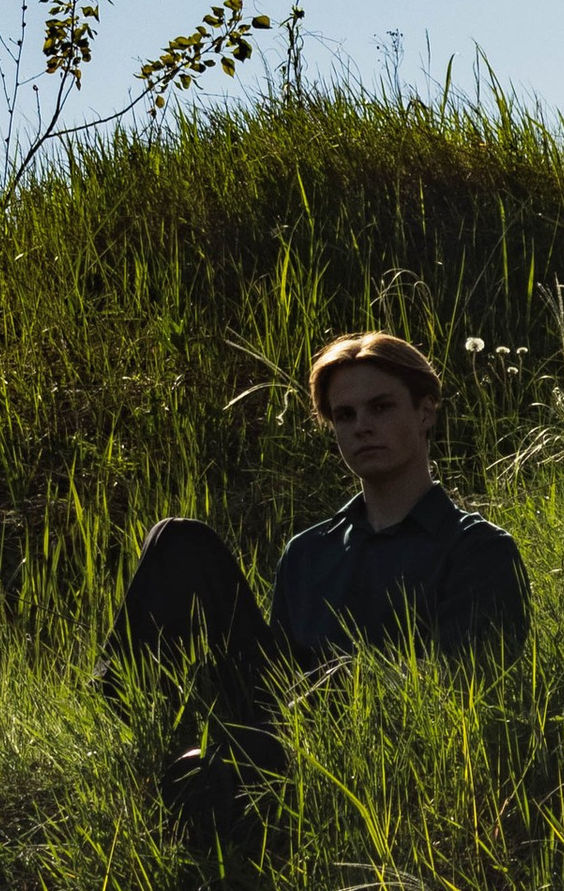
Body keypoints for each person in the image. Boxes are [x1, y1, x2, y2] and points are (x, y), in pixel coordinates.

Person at [100, 331, 529, 837]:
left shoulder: (478, 549)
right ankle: (147, 736)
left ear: (425, 412)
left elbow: (465, 686)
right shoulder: (309, 550)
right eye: (344, 416)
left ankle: (221, 773)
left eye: (380, 407)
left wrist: (349, 685)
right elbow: (274, 669)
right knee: (179, 541)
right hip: (275, 717)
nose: (362, 427)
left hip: (370, 739)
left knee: (338, 680)